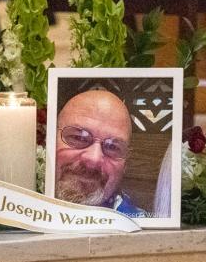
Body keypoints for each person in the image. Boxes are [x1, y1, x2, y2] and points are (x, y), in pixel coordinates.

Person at [54, 88, 147, 216]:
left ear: (125, 165)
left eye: (112, 147)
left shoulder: (145, 227)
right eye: (78, 137)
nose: (94, 159)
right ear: (49, 141)